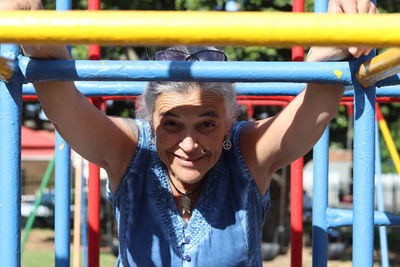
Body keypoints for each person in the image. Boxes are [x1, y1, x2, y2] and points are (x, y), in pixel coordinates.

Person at [0, 0, 377, 266]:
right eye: (172, 124)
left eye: (207, 124)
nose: (189, 144)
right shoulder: (130, 151)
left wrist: (334, 42)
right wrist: (31, 27)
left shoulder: (246, 154)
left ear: (228, 123)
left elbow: (317, 104)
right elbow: (59, 96)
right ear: (150, 120)